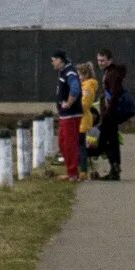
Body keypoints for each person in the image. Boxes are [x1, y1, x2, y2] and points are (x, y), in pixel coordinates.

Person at [50, 50, 86, 181]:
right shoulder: (64, 71)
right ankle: (71, 170)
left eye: (53, 60)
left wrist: (69, 103)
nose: (52, 63)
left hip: (71, 114)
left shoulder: (69, 72)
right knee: (62, 143)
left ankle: (73, 174)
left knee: (69, 144)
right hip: (65, 115)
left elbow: (75, 88)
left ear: (60, 60)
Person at [96, 58, 130, 181]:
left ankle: (115, 166)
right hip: (110, 113)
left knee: (102, 144)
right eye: (99, 60)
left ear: (109, 60)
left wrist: (107, 111)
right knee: (113, 141)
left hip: (110, 114)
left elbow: (114, 94)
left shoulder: (112, 74)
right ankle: (114, 170)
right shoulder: (108, 73)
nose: (100, 63)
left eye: (103, 60)